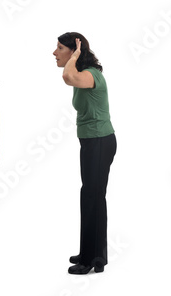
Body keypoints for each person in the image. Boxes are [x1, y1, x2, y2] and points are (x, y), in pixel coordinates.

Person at [53, 32, 117, 275]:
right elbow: (71, 76)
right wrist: (75, 56)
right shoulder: (84, 75)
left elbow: (67, 76)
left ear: (73, 51)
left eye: (60, 48)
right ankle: (90, 252)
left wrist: (78, 54)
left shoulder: (90, 75)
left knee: (93, 197)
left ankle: (92, 259)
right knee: (89, 195)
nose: (54, 52)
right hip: (92, 141)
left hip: (100, 141)